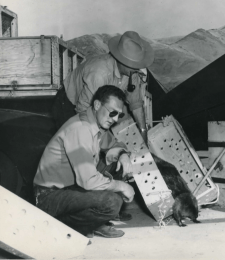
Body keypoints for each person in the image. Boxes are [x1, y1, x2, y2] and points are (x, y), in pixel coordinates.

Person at [33, 85, 135, 238]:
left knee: (115, 163)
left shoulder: (96, 123)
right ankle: (64, 227)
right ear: (97, 105)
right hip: (48, 197)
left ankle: (90, 223)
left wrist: (123, 154)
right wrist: (121, 186)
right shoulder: (80, 129)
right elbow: (88, 181)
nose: (114, 119)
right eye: (112, 113)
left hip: (69, 188)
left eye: (119, 115)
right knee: (112, 202)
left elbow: (114, 144)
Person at [52, 31, 154, 144]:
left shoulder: (133, 72)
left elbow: (136, 104)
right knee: (75, 143)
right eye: (135, 65)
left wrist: (143, 132)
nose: (139, 69)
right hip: (69, 104)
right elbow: (83, 111)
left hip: (97, 105)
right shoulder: (100, 73)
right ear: (123, 61)